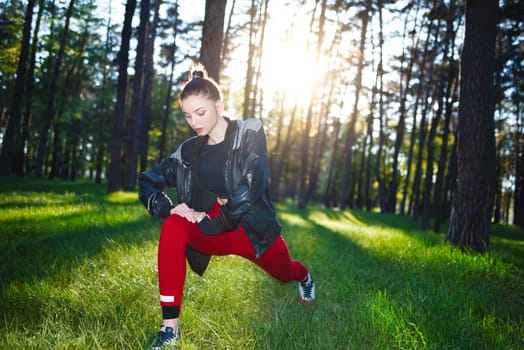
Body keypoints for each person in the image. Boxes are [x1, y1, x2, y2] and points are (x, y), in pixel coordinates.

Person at [138, 63, 315, 349]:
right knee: (173, 225)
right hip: (211, 229)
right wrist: (168, 207)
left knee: (284, 271)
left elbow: (251, 184)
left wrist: (219, 216)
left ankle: (305, 277)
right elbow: (147, 180)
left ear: (218, 106)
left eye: (201, 112)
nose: (194, 122)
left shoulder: (249, 133)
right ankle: (170, 329)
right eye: (187, 115)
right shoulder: (189, 151)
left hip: (250, 229)